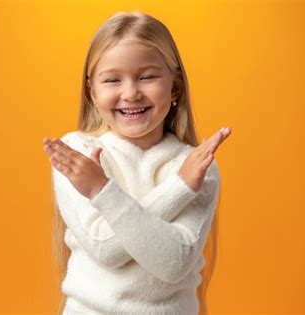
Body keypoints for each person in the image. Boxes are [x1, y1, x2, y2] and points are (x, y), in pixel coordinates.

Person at [43, 11, 232, 315]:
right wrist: (179, 188)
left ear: (175, 88)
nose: (130, 93)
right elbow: (105, 247)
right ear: (92, 91)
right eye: (112, 80)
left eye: (147, 77)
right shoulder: (77, 153)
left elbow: (174, 263)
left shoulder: (198, 165)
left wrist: (103, 193)